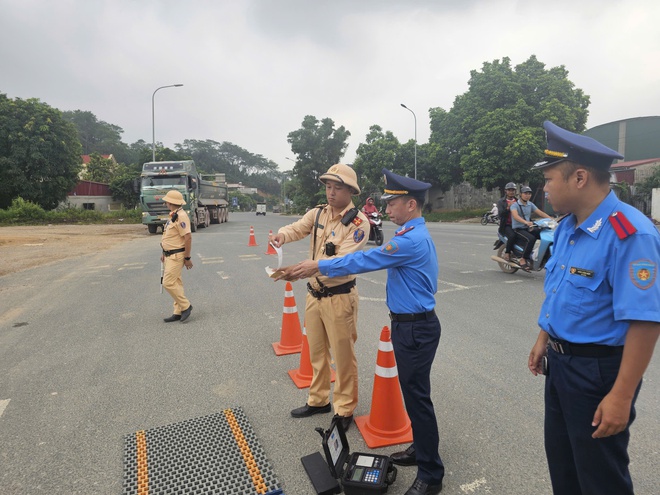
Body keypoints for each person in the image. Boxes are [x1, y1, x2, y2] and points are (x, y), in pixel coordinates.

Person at [277, 169, 445, 495]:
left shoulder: (410, 240)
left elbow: (365, 260)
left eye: (391, 203)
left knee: (418, 400)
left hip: (416, 327)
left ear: (410, 204)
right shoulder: (411, 233)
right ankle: (419, 449)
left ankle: (431, 474)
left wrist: (317, 265)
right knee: (413, 395)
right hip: (410, 324)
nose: (385, 209)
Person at [527, 121, 660, 495]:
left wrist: (620, 396)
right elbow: (560, 290)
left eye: (550, 178)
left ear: (580, 177)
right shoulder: (568, 226)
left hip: (598, 373)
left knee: (600, 479)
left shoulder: (630, 234)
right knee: (565, 468)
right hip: (561, 365)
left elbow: (646, 322)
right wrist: (544, 337)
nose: (545, 188)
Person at [269, 164, 369, 432]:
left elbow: (345, 260)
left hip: (340, 297)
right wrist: (281, 236)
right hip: (314, 294)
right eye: (328, 187)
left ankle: (345, 408)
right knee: (316, 352)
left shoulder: (359, 224)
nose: (331, 193)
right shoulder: (318, 213)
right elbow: (297, 228)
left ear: (351, 191)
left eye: (338, 188)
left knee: (343, 355)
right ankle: (319, 399)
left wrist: (312, 266)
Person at [160, 190, 193, 323]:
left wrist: (187, 258)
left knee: (167, 283)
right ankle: (178, 311)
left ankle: (186, 306)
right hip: (169, 255)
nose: (165, 202)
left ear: (171, 202)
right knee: (176, 283)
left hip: (176, 255)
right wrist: (164, 252)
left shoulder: (181, 216)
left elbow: (188, 237)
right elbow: (169, 236)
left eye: (167, 200)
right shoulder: (174, 215)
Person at [510, 185, 551, 271]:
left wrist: (552, 219)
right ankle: (523, 259)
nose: (527, 195)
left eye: (529, 194)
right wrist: (525, 222)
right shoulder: (515, 205)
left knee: (544, 234)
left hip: (528, 227)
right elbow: (515, 216)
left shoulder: (530, 204)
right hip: (519, 228)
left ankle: (540, 256)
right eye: (525, 193)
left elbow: (540, 213)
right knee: (531, 239)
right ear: (521, 194)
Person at [496, 182, 518, 260]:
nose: (511, 192)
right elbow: (501, 214)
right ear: (506, 191)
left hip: (518, 224)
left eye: (513, 190)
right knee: (512, 236)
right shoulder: (501, 202)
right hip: (507, 225)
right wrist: (508, 207)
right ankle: (507, 253)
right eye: (509, 190)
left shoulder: (518, 201)